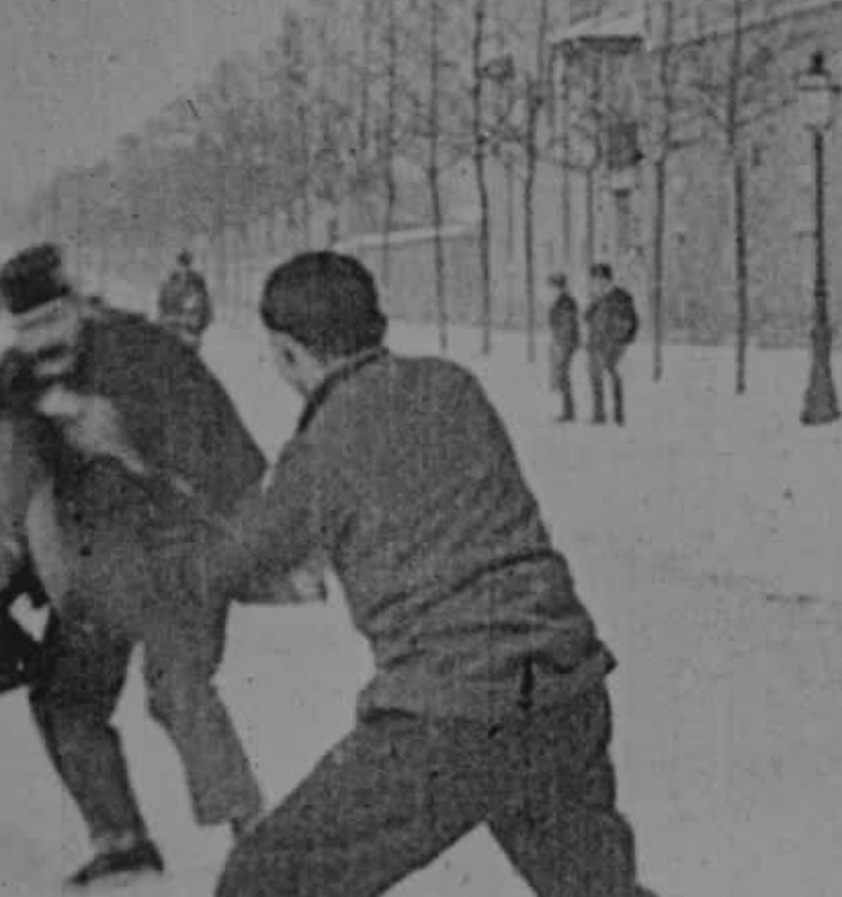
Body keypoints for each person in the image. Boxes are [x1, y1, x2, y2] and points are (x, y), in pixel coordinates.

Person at [78, 250, 657, 897]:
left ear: (289, 353)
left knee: (264, 880)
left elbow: (220, 565)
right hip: (566, 690)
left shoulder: (322, 447)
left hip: (452, 714)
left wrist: (126, 458)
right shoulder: (453, 385)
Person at [0, 243, 267, 889]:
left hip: (181, 556)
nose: (41, 341)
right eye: (26, 328)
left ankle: (257, 834)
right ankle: (122, 843)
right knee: (65, 698)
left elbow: (232, 463)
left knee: (177, 690)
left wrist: (127, 447)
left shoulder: (148, 354)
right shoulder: (20, 376)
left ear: (78, 304)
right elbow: (13, 476)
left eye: (51, 320)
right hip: (98, 573)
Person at [584, 263, 638, 427]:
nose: (597, 284)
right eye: (594, 280)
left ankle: (618, 414)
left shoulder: (620, 297)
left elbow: (628, 321)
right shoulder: (597, 299)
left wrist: (620, 339)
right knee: (595, 375)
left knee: (610, 372)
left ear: (607, 280)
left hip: (612, 343)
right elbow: (588, 318)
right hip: (596, 343)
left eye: (600, 280)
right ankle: (599, 413)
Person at [156, 250, 213, 350]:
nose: (184, 266)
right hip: (172, 325)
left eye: (186, 263)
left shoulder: (197, 282)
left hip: (189, 327)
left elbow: (205, 307)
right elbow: (162, 303)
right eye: (182, 263)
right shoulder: (171, 281)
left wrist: (197, 325)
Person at [548, 272, 580, 423]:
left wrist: (562, 343)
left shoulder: (565, 301)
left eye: (553, 286)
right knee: (563, 376)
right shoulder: (562, 300)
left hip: (566, 342)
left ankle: (569, 412)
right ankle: (568, 411)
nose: (551, 289)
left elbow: (567, 324)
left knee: (564, 376)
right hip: (564, 341)